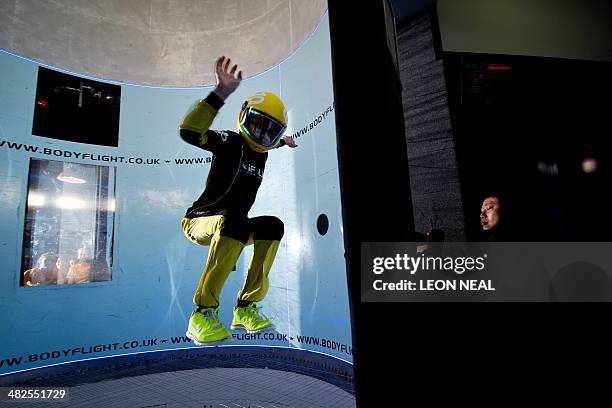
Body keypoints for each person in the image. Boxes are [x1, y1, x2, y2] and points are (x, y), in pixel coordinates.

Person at [178, 56, 297, 345]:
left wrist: (284, 142)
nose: (262, 134)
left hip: (233, 227)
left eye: (270, 131)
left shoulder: (264, 150)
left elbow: (268, 139)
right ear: (244, 118)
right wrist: (220, 94)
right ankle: (202, 314)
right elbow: (189, 132)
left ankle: (245, 307)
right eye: (257, 125)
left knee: (272, 226)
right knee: (233, 219)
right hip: (199, 222)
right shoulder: (230, 142)